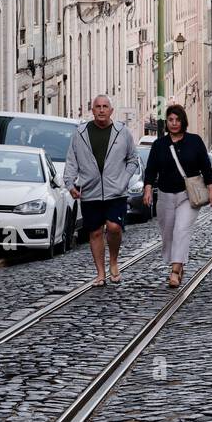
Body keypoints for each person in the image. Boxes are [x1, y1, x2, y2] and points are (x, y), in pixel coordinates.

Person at [63, 95, 140, 286]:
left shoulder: (122, 132)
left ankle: (113, 261)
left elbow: (132, 159)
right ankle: (100, 273)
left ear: (111, 111)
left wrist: (123, 180)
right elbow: (72, 161)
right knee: (95, 232)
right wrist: (70, 184)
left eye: (105, 106)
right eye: (98, 107)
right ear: (92, 110)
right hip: (90, 191)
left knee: (114, 227)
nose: (102, 110)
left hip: (116, 191)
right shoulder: (80, 133)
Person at [142, 104, 212, 289]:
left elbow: (206, 167)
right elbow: (151, 168)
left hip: (188, 196)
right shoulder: (160, 144)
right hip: (166, 194)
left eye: (177, 120)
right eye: (171, 120)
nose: (174, 123)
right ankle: (177, 263)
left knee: (181, 230)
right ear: (166, 123)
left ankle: (175, 271)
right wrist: (148, 188)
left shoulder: (195, 141)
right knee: (168, 234)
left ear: (183, 121)